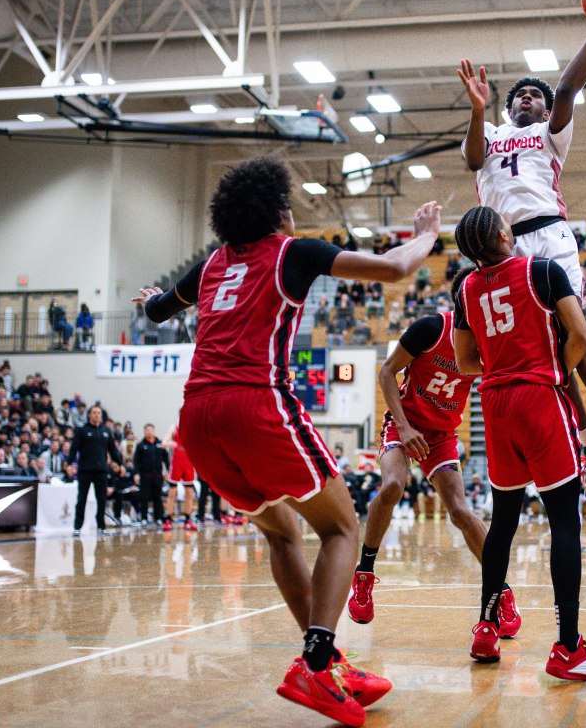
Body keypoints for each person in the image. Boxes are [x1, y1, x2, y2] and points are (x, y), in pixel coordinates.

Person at [134, 157, 437, 725]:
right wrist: (424, 236)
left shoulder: (209, 266)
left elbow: (155, 311)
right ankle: (317, 662)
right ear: (277, 211)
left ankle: (329, 664)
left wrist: (154, 297)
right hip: (256, 405)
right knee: (342, 526)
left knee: (282, 533)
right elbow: (395, 269)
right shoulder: (291, 252)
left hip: (197, 418)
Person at [457, 0, 586, 509]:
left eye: (534, 95)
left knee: (572, 338)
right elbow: (472, 160)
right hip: (501, 248)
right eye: (521, 95)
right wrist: (476, 109)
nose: (529, 98)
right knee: (542, 353)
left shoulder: (549, 136)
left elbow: (565, 89)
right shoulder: (489, 134)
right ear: (508, 107)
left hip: (548, 234)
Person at [451, 205, 586, 681]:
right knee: (564, 521)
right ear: (505, 236)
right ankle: (568, 646)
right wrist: (555, 367)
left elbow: (465, 363)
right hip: (541, 398)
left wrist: (504, 363)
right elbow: (581, 334)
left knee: (502, 522)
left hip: (495, 405)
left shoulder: (464, 288)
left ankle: (486, 626)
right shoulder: (543, 270)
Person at [349, 271, 521, 637]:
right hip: (404, 423)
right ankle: (364, 573)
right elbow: (385, 373)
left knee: (460, 510)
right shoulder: (430, 328)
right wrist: (406, 428)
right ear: (464, 301)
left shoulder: (486, 343)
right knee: (393, 485)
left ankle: (501, 590)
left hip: (442, 435)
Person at [68, 404, 122, 536]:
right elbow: (74, 448)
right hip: (85, 470)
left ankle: (101, 527)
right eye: (94, 413)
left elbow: (113, 450)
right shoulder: (82, 430)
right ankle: (77, 527)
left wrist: (120, 464)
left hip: (101, 470)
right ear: (89, 415)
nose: (97, 415)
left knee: (101, 500)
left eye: (99, 413)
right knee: (82, 499)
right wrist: (69, 463)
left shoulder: (106, 431)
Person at [161, 425, 198, 532]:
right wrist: (170, 443)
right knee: (172, 492)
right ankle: (168, 519)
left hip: (189, 464)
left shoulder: (192, 430)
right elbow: (164, 443)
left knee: (189, 493)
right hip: (177, 463)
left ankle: (187, 520)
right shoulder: (174, 428)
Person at [132, 423, 168, 525]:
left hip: (157, 475)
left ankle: (158, 518)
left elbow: (166, 459)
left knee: (158, 497)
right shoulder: (140, 445)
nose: (149, 432)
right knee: (144, 497)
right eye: (147, 430)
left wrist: (168, 471)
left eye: (151, 430)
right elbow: (136, 461)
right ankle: (144, 518)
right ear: (144, 432)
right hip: (145, 476)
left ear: (154, 431)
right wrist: (136, 474)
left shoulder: (160, 444)